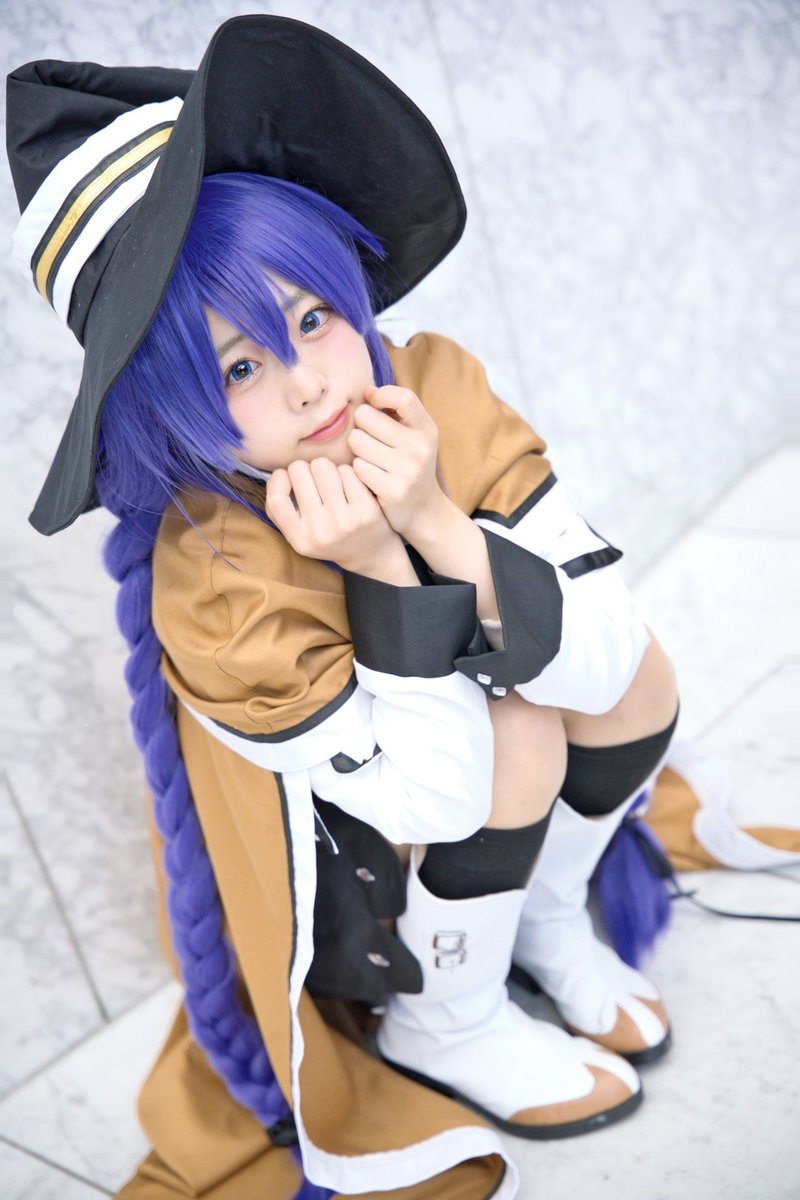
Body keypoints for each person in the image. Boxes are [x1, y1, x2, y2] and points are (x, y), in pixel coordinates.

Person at [7, 16, 682, 1200]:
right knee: (519, 728)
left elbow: (611, 653)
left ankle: (542, 921)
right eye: (238, 367)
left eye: (312, 316)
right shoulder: (217, 578)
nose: (310, 382)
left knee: (632, 679)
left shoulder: (425, 384)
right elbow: (435, 795)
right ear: (169, 405)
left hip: (466, 806)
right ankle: (449, 1021)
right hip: (359, 890)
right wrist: (374, 560)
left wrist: (434, 522)